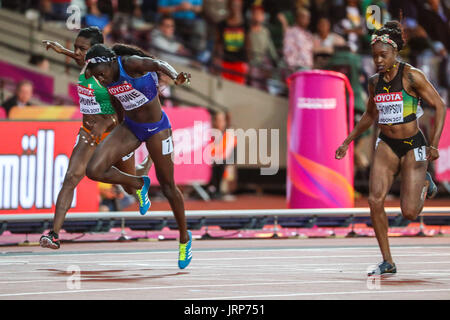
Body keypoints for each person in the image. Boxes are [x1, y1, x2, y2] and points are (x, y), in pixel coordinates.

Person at [335, 21, 447, 275]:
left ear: (395, 53)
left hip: (413, 145)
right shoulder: (375, 82)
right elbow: (369, 116)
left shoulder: (411, 76)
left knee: (409, 213)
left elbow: (439, 105)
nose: (378, 61)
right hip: (386, 144)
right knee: (374, 200)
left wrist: (434, 144)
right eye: (375, 57)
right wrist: (347, 140)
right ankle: (388, 261)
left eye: (383, 55)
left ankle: (425, 182)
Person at [39, 27, 151, 250]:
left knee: (129, 188)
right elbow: (77, 57)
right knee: (71, 177)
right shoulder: (85, 63)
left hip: (114, 134)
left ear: (96, 52)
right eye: (75, 48)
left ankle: (145, 169)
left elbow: (121, 115)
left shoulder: (110, 75)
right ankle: (54, 234)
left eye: (82, 49)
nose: (78, 53)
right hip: (88, 133)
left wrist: (105, 123)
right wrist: (61, 50)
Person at [84, 43, 193, 269]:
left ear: (111, 61)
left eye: (102, 74)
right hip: (131, 128)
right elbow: (118, 101)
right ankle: (138, 182)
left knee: (168, 187)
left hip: (157, 129)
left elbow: (158, 63)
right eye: (97, 78)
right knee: (93, 170)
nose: (101, 80)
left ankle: (184, 238)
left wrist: (175, 76)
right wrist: (118, 126)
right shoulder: (106, 77)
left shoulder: (130, 63)